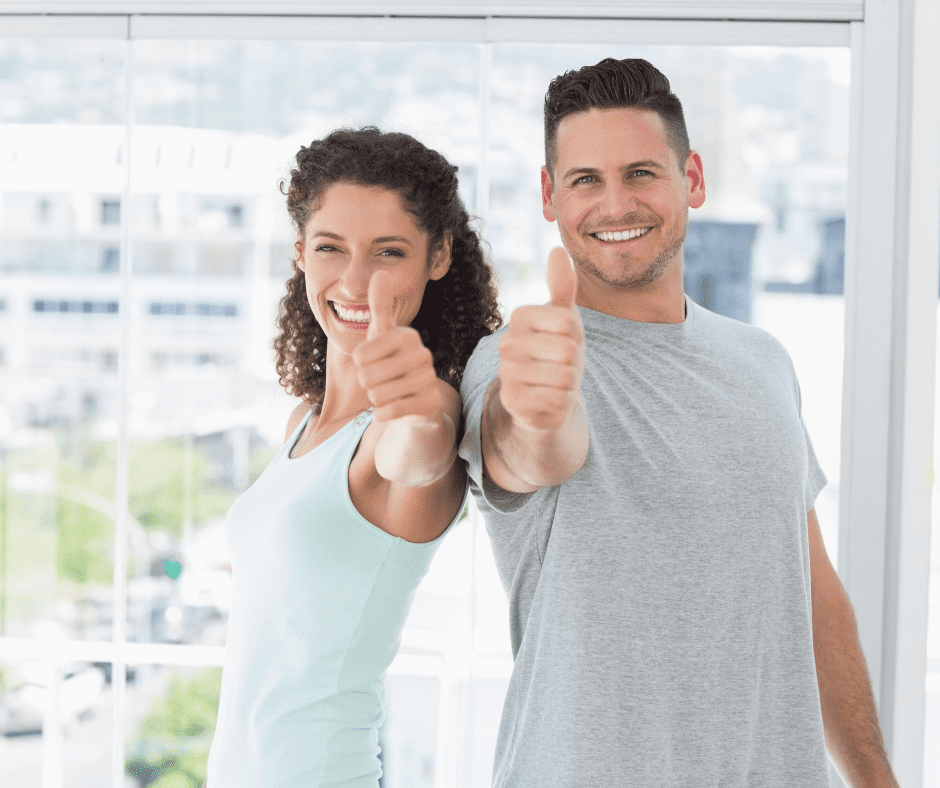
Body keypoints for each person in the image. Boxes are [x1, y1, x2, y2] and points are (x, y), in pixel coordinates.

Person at [458, 58, 899, 787]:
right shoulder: (518, 360)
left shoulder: (763, 363)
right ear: (550, 196)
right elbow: (529, 450)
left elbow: (812, 596)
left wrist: (878, 781)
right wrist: (538, 411)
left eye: (640, 173)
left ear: (691, 178)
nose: (614, 203)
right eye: (584, 180)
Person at [205, 127, 502, 788]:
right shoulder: (301, 425)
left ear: (439, 255)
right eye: (331, 248)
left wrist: (416, 405)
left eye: (388, 252)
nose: (356, 281)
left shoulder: (415, 420)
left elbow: (420, 452)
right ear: (301, 255)